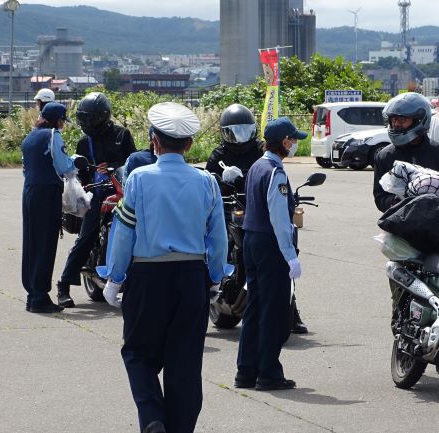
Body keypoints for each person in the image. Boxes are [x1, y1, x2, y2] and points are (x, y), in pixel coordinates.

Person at [98, 102, 230, 433]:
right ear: (188, 144)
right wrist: (214, 278)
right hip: (191, 277)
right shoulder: (206, 181)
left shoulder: (139, 178)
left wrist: (115, 278)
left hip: (147, 276)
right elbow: (219, 239)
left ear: (154, 140)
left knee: (138, 353)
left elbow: (124, 234)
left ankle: (153, 416)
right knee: (184, 364)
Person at [205, 103, 309, 334]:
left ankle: (292, 311)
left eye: (245, 130)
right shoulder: (219, 154)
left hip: (254, 211)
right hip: (229, 208)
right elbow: (209, 183)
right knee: (212, 241)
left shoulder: (259, 153)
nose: (241, 137)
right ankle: (207, 291)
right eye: (235, 131)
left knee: (274, 274)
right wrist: (222, 182)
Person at [234, 117, 306, 391]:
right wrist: (290, 255)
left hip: (251, 240)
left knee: (254, 308)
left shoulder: (256, 166)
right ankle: (269, 373)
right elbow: (278, 217)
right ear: (285, 142)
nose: (295, 144)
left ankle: (246, 371)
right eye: (293, 140)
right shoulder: (275, 172)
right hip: (269, 243)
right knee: (274, 311)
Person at [56, 92, 136, 308]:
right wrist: (82, 184)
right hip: (97, 195)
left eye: (93, 118)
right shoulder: (84, 142)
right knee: (87, 236)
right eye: (86, 118)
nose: (89, 123)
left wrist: (114, 165)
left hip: (123, 193)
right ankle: (63, 285)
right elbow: (80, 173)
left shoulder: (122, 135)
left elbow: (134, 163)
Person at [21, 103, 77, 313]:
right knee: (45, 244)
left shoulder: (31, 136)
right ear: (56, 119)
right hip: (46, 192)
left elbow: (26, 167)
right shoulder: (53, 135)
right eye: (63, 120)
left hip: (30, 191)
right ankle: (40, 298)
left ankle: (32, 294)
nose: (63, 124)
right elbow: (63, 166)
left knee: (32, 243)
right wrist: (75, 162)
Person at [373, 92, 439, 213]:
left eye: (402, 119)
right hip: (398, 223)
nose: (396, 124)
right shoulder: (384, 156)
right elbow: (379, 196)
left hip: (436, 224)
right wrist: (396, 202)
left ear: (419, 120)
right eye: (393, 119)